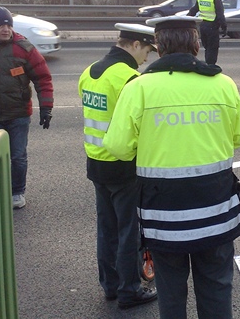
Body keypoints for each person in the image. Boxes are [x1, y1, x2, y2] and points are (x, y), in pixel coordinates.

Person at [103, 15, 240, 319]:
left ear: (159, 46)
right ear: (196, 44)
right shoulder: (223, 84)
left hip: (164, 215)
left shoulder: (139, 88)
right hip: (216, 211)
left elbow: (117, 147)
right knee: (217, 288)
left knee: (171, 294)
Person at [77, 23, 158, 309]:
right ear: (135, 45)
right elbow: (139, 126)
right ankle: (129, 289)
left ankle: (110, 285)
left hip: (96, 162)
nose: (147, 58)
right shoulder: (129, 78)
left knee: (106, 228)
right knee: (128, 231)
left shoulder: (90, 72)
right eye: (147, 50)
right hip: (124, 164)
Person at [0, 6, 53, 209]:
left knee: (18, 156)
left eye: (8, 24)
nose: (5, 29)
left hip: (18, 114)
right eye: (0, 25)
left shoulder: (24, 47)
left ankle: (17, 192)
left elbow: (43, 78)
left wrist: (46, 108)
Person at [188, 0, 227, 65]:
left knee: (207, 47)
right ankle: (210, 66)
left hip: (202, 26)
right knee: (213, 48)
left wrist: (186, 20)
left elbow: (193, 10)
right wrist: (224, 27)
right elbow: (220, 15)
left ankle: (207, 63)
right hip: (212, 27)